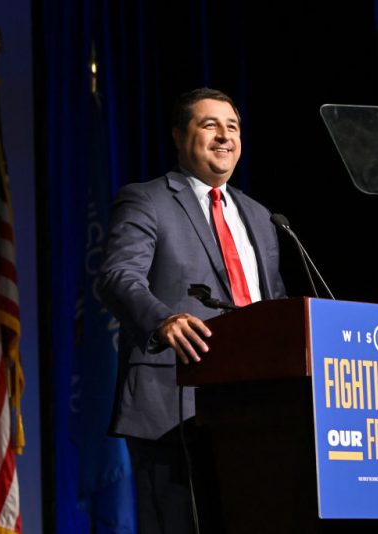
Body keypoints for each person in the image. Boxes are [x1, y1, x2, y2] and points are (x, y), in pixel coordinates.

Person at [98, 87, 286, 533]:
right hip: (173, 405)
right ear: (180, 136)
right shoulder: (146, 199)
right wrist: (162, 319)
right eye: (210, 125)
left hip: (252, 412)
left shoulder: (261, 217)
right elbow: (118, 276)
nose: (225, 136)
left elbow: (272, 303)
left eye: (233, 127)